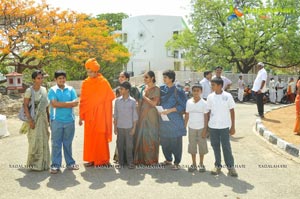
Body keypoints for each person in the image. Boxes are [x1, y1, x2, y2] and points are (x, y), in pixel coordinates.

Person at [79, 58, 115, 167]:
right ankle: (91, 159)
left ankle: (103, 159)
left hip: (100, 114)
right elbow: (83, 100)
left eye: (90, 71)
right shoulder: (86, 83)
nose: (88, 74)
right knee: (90, 137)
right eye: (87, 71)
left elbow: (110, 97)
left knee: (100, 135)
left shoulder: (103, 82)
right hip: (89, 114)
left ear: (96, 71)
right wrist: (81, 116)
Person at [48, 71, 79, 174]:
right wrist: (69, 104)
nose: (62, 80)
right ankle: (55, 165)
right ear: (55, 79)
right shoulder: (52, 90)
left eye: (63, 78)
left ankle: (70, 163)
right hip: (56, 120)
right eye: (59, 78)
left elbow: (76, 103)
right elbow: (54, 104)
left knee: (68, 143)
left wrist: (61, 104)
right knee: (56, 143)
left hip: (69, 120)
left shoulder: (70, 89)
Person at [207, 77, 238, 177]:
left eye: (213, 85)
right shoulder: (210, 97)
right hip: (213, 126)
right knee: (215, 146)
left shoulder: (228, 96)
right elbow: (208, 111)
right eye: (211, 85)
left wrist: (233, 126)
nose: (211, 87)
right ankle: (217, 166)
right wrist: (207, 127)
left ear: (220, 86)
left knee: (226, 146)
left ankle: (230, 167)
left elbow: (232, 111)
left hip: (224, 126)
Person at [20, 70, 50, 171]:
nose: (40, 80)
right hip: (34, 118)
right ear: (33, 79)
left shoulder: (44, 89)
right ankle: (34, 164)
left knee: (44, 140)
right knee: (34, 141)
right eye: (38, 78)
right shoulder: (29, 90)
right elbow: (25, 105)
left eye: (42, 78)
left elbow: (46, 106)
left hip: (43, 118)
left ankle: (44, 164)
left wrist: (49, 119)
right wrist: (30, 120)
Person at [160, 70, 187, 170]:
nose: (164, 79)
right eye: (163, 77)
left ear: (171, 79)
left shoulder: (178, 90)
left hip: (175, 121)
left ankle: (176, 162)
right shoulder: (162, 89)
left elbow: (184, 105)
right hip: (164, 120)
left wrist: (170, 110)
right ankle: (168, 159)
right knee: (165, 141)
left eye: (165, 77)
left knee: (176, 143)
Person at [134, 71, 160, 165]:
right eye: (144, 77)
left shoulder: (156, 89)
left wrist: (144, 97)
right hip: (142, 114)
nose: (144, 79)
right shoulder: (143, 88)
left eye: (146, 77)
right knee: (142, 136)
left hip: (151, 115)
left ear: (152, 78)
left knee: (151, 136)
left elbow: (154, 103)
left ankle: (151, 159)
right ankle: (142, 159)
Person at [113, 71, 140, 163]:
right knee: (120, 144)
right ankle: (120, 161)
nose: (120, 91)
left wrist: (134, 127)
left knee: (129, 145)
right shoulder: (117, 101)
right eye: (119, 77)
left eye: (123, 76)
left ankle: (130, 162)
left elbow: (135, 115)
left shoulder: (133, 99)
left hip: (129, 126)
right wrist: (115, 127)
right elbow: (115, 114)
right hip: (120, 126)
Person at [184, 84, 209, 172]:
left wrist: (205, 130)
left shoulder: (204, 103)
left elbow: (206, 117)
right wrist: (184, 126)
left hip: (201, 128)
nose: (196, 92)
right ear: (192, 91)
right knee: (192, 146)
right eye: (194, 91)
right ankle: (193, 163)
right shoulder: (188, 102)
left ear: (201, 92)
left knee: (202, 146)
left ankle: (201, 164)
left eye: (198, 91)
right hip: (191, 128)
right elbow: (187, 115)